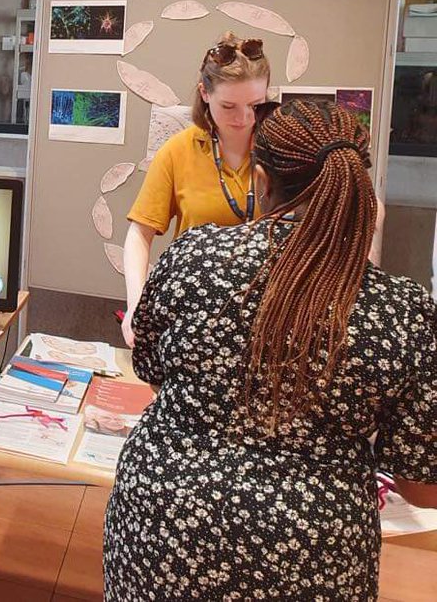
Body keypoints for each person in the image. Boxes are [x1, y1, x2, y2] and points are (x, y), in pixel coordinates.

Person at [104, 100, 437, 601]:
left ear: (260, 181)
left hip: (162, 524)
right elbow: (420, 482)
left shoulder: (195, 258)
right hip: (313, 556)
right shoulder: (400, 309)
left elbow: (150, 364)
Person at [120, 33, 272, 346]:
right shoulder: (179, 151)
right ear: (204, 93)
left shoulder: (283, 150)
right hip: (193, 319)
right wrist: (137, 304)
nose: (243, 119)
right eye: (228, 106)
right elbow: (139, 234)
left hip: (267, 317)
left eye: (255, 105)